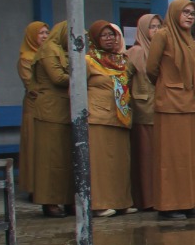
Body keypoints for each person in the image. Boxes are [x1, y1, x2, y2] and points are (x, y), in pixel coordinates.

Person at [147, 0, 195, 220]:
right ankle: (169, 205)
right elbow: (151, 69)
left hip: (192, 105)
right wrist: (169, 85)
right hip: (170, 106)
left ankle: (190, 203)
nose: (189, 16)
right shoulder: (163, 36)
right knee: (171, 158)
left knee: (192, 157)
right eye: (185, 12)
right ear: (174, 13)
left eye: (192, 13)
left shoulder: (189, 39)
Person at [84, 20, 135, 216]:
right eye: (104, 35)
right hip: (97, 116)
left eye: (112, 35)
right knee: (100, 164)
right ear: (95, 38)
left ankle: (121, 202)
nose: (109, 39)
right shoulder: (88, 60)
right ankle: (99, 204)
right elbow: (76, 87)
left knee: (120, 162)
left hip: (120, 116)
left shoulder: (121, 60)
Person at [31, 20, 75, 215]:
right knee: (50, 159)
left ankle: (66, 199)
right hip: (50, 111)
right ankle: (49, 201)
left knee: (65, 159)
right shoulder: (49, 49)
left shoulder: (63, 50)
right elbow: (57, 78)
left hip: (64, 110)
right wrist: (84, 74)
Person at [127, 13, 161, 211]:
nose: (156, 30)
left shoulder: (160, 50)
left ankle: (158, 196)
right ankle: (146, 199)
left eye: (158, 26)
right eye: (152, 27)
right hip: (142, 110)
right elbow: (125, 80)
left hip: (160, 109)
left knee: (157, 157)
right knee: (145, 156)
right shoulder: (136, 52)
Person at [16, 20, 49, 200]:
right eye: (41, 33)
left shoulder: (48, 55)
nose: (45, 36)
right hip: (34, 106)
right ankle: (33, 187)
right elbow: (31, 85)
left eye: (46, 32)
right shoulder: (26, 58)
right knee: (33, 145)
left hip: (48, 106)